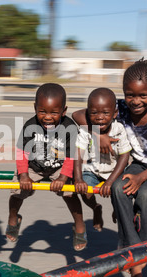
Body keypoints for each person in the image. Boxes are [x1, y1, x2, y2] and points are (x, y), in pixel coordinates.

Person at [72, 58, 147, 277]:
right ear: (124, 93)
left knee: (145, 195)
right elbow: (78, 114)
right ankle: (133, 247)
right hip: (137, 164)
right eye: (130, 95)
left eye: (143, 95)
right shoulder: (120, 108)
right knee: (117, 187)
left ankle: (144, 249)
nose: (135, 101)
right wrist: (98, 134)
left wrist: (142, 178)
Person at [6, 83, 86, 251]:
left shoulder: (69, 127)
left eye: (54, 112)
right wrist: (23, 175)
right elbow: (21, 152)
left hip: (59, 166)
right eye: (42, 111)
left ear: (63, 111)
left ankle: (79, 225)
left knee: (70, 194)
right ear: (35, 108)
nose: (47, 117)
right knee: (17, 192)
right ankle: (13, 217)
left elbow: (72, 156)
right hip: (35, 166)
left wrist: (63, 177)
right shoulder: (30, 125)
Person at [74, 87, 131, 232]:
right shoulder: (86, 130)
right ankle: (96, 208)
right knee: (84, 191)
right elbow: (77, 155)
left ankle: (116, 209)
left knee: (119, 194)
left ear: (114, 114)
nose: (99, 117)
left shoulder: (118, 129)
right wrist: (79, 179)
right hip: (94, 170)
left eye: (106, 113)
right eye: (94, 113)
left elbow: (124, 157)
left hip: (115, 171)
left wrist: (110, 181)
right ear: (88, 113)